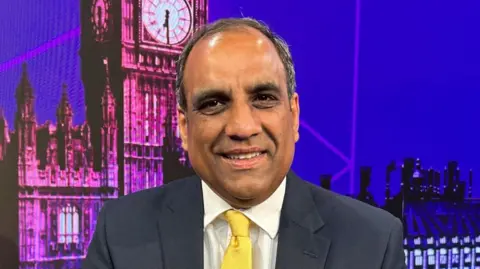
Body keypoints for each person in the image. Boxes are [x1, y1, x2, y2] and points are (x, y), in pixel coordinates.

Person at [83, 17, 406, 269]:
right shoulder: (121, 229)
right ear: (183, 126)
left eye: (264, 98)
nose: (241, 126)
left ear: (293, 115)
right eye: (213, 103)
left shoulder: (372, 240)